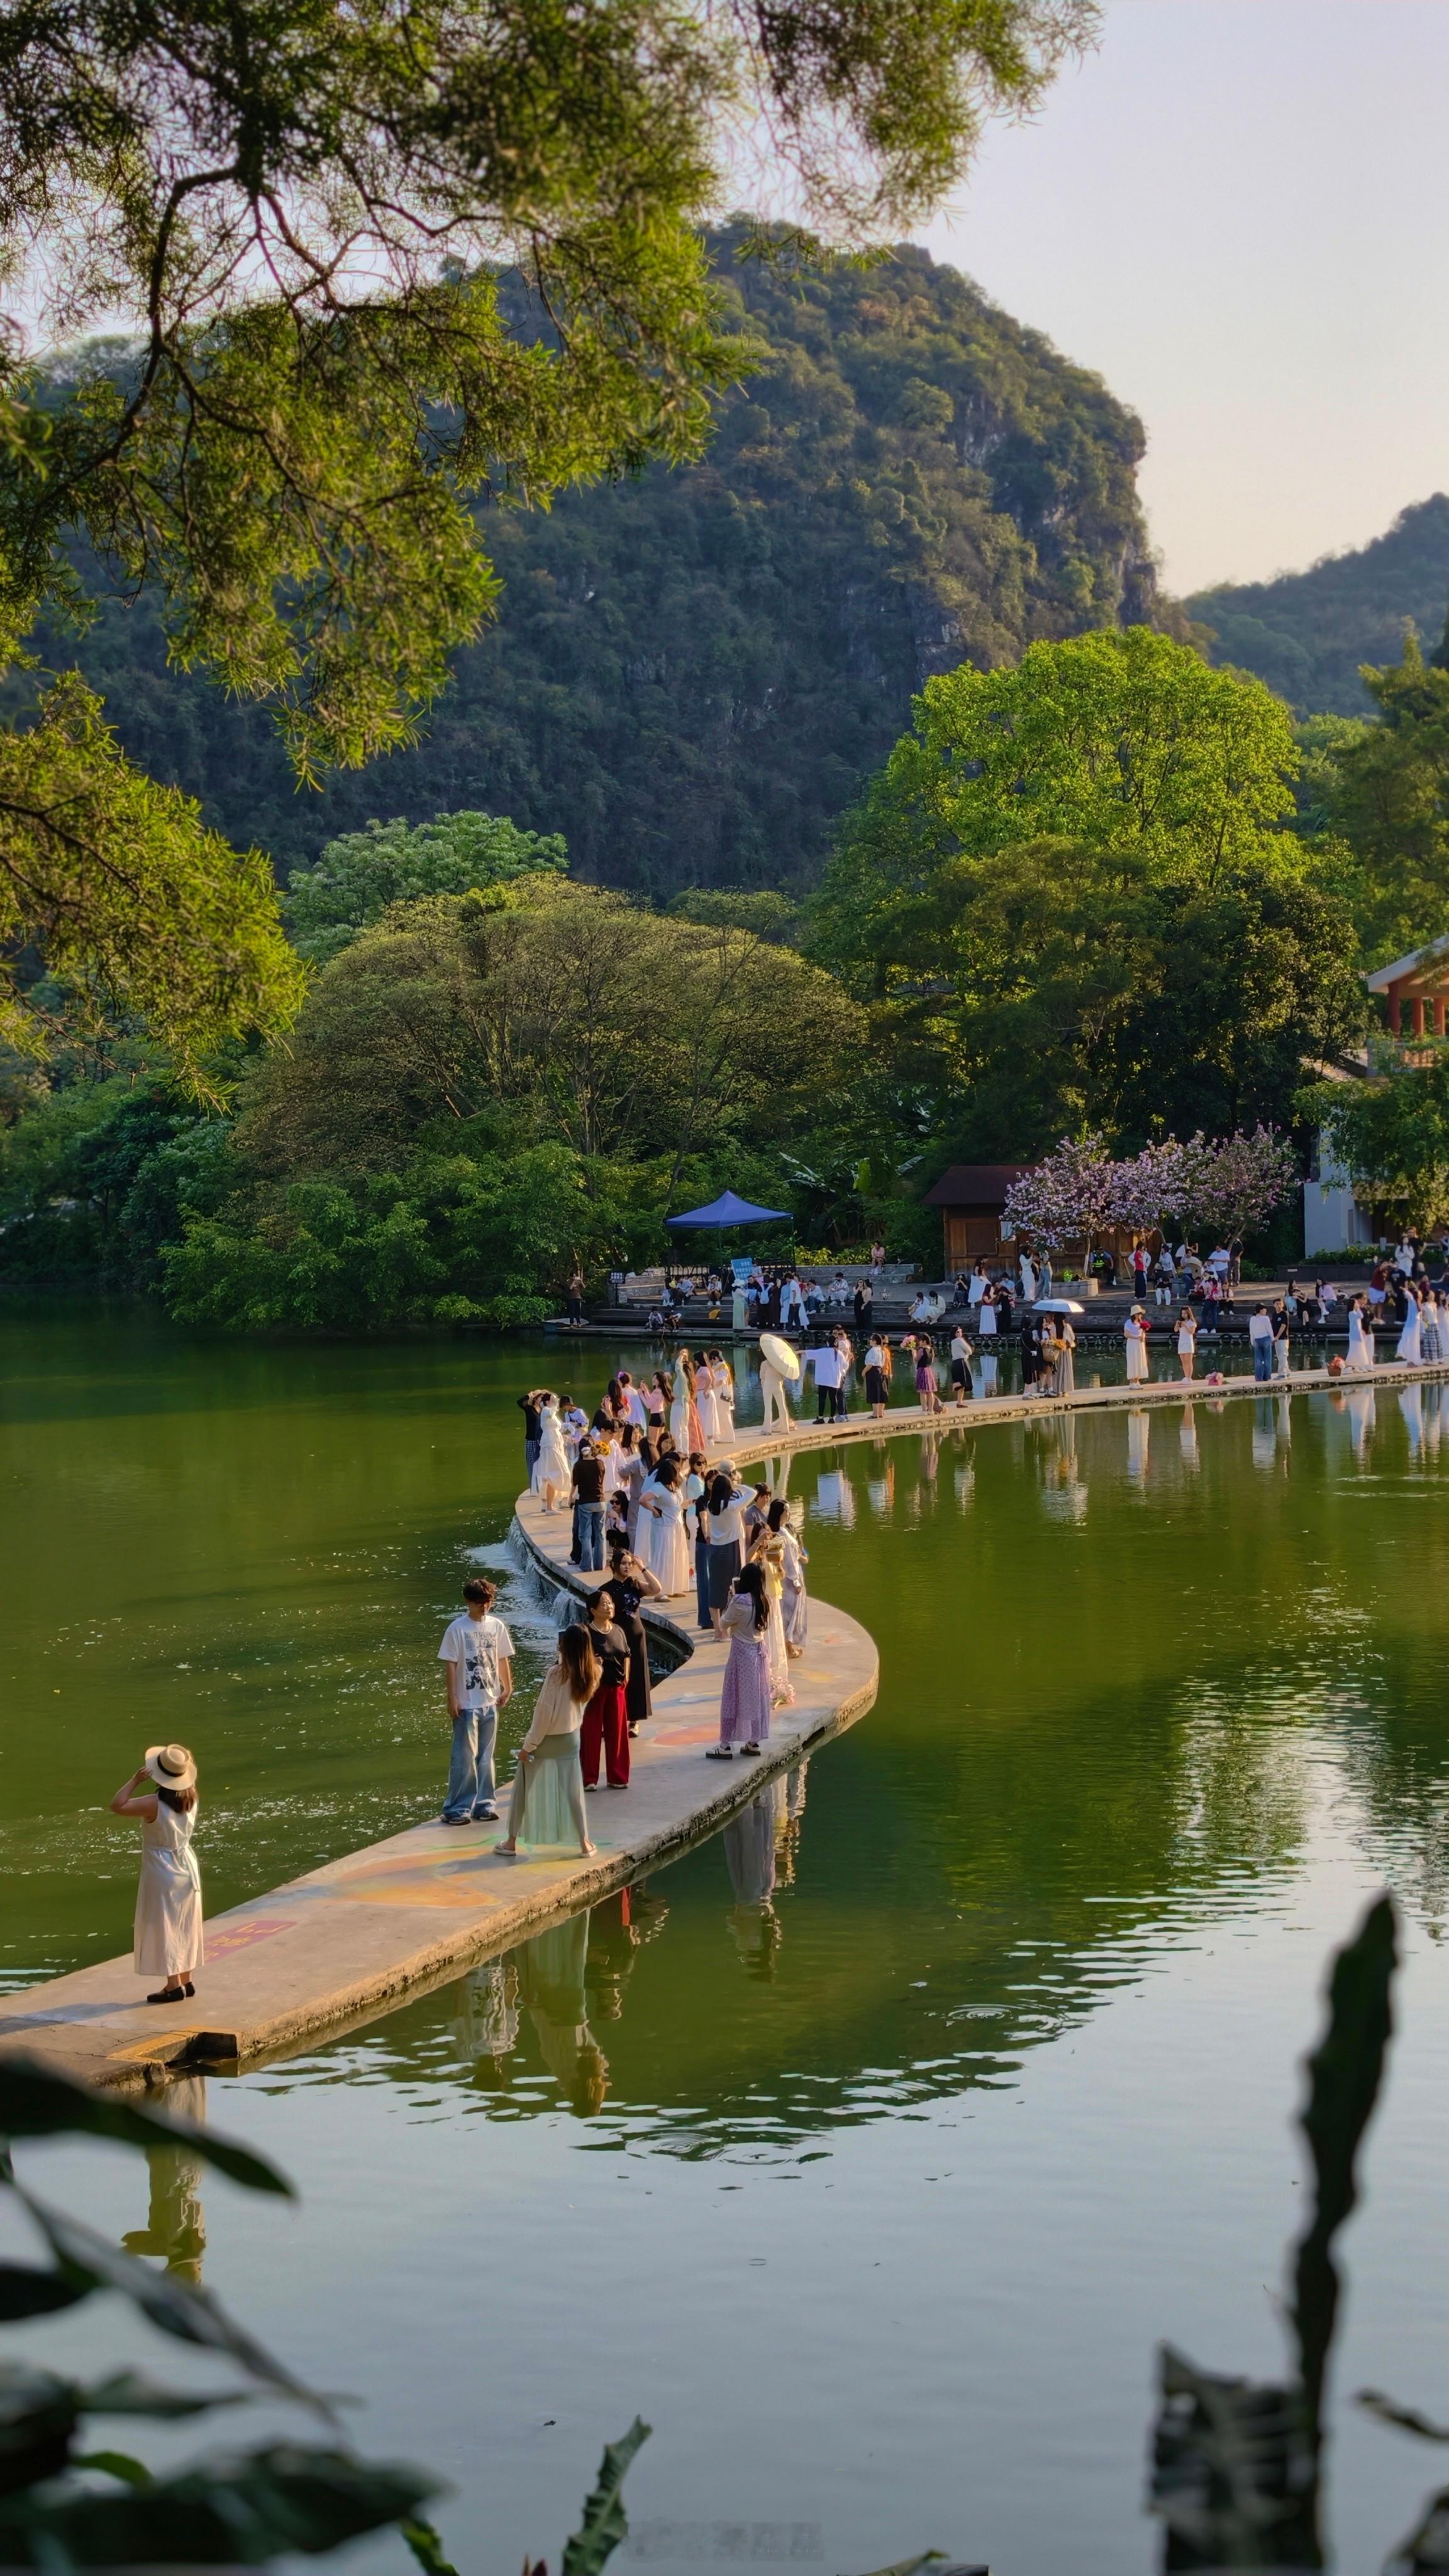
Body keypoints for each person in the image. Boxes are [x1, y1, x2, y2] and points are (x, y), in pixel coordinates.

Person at [111, 1744, 204, 2003]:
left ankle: (173, 1985)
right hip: (186, 1863)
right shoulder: (192, 1797)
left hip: (162, 1868)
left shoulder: (153, 1804)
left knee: (166, 1926)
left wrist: (135, 1780)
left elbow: (117, 1805)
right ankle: (187, 1979)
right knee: (186, 1922)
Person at [496, 1626, 598, 1858]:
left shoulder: (556, 1674)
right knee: (573, 1791)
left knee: (523, 1786)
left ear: (565, 1647)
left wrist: (528, 1746)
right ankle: (584, 1843)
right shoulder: (594, 1673)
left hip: (547, 1739)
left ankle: (511, 1842)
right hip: (572, 1738)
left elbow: (543, 1714)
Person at [437, 1574, 513, 1824]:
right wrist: (452, 1698)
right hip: (467, 1702)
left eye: (488, 1601)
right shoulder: (457, 1629)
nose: (485, 1606)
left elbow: (502, 1657)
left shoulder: (496, 1626)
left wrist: (507, 1687)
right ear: (468, 1602)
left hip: (490, 1700)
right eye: (480, 1601)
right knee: (464, 1757)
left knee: (486, 1757)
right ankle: (457, 1809)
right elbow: (451, 1665)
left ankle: (484, 1804)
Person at [708, 1562, 772, 1760]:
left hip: (740, 1655)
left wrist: (730, 1601)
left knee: (733, 1697)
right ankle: (753, 1741)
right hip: (760, 1654)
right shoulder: (764, 1600)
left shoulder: (739, 1601)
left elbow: (723, 1624)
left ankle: (726, 1745)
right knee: (757, 1698)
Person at [577, 1592, 631, 1790]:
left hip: (617, 1687)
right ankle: (589, 1779)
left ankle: (617, 1777)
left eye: (610, 1602)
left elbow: (626, 1655)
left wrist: (626, 1677)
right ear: (593, 1610)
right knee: (590, 1733)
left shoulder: (618, 1630)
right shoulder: (587, 1633)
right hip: (594, 1689)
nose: (609, 1607)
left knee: (617, 1733)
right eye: (604, 1604)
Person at [636, 1455, 689, 1594]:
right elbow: (643, 1499)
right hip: (663, 1527)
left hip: (676, 1525)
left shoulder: (675, 1486)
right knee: (662, 1557)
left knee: (676, 1555)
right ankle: (660, 1591)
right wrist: (654, 1510)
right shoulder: (659, 1487)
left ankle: (675, 1587)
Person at [704, 1465, 747, 1634]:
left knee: (715, 1588)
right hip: (731, 1548)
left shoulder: (710, 1505)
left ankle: (718, 1630)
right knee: (733, 1586)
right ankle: (729, 1628)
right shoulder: (732, 1506)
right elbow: (753, 1493)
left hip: (715, 1549)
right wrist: (737, 1486)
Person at [769, 1497, 808, 1657]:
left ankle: (788, 1643)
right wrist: (796, 1581)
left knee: (790, 1610)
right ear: (779, 1513)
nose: (789, 1513)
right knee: (789, 1611)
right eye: (786, 1510)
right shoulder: (779, 1533)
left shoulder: (783, 1530)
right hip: (789, 1578)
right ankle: (788, 1645)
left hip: (791, 1575)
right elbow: (788, 1560)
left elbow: (794, 1554)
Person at [684, 1448, 712, 1631]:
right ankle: (693, 1577)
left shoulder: (697, 1478)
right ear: (693, 1465)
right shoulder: (694, 1479)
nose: (702, 1466)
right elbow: (696, 1498)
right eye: (698, 1463)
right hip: (695, 1515)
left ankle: (693, 1575)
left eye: (703, 1463)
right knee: (696, 1544)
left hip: (694, 1513)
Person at [570, 1438, 607, 1573]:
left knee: (585, 1535)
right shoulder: (600, 1464)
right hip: (600, 1502)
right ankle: (598, 1566)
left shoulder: (578, 1465)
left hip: (585, 1503)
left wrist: (570, 1500)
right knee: (599, 1535)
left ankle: (586, 1565)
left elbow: (574, 1485)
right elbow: (601, 1481)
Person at [533, 1394, 569, 1513]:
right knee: (555, 1473)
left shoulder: (551, 1412)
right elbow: (550, 1413)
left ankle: (550, 1506)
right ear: (548, 1402)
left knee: (554, 1474)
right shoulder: (546, 1410)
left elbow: (557, 1425)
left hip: (556, 1444)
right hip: (550, 1445)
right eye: (553, 1400)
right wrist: (554, 1403)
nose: (556, 1401)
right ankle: (548, 1505)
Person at [518, 1388, 546, 1482]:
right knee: (531, 1465)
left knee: (540, 1464)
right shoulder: (530, 1409)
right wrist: (530, 1394)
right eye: (539, 1398)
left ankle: (539, 1485)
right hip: (531, 1440)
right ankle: (532, 1485)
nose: (541, 1400)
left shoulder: (542, 1411)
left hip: (540, 1441)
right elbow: (520, 1402)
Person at [709, 1351, 736, 1442]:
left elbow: (723, 1379)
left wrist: (713, 1385)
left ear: (716, 1358)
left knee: (725, 1415)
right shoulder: (715, 1366)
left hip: (723, 1395)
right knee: (720, 1415)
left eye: (712, 1359)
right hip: (718, 1395)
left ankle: (730, 1436)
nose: (712, 1361)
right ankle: (723, 1436)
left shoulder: (723, 1366)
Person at [863, 1331, 889, 1419]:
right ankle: (880, 1412)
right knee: (881, 1391)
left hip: (873, 1371)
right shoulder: (882, 1350)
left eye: (871, 1340)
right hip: (880, 1370)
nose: (870, 1341)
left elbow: (870, 1364)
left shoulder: (873, 1350)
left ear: (874, 1341)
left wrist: (863, 1372)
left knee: (874, 1391)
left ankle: (875, 1414)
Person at [1346, 1294, 1375, 1371]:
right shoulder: (1352, 1313)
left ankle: (1362, 1365)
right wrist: (1359, 1307)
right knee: (1355, 1351)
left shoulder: (1357, 1313)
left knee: (1361, 1351)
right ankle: (1350, 1366)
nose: (1358, 1304)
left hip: (1358, 1335)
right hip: (1355, 1336)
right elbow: (1360, 1316)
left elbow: (1362, 1316)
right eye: (1356, 1303)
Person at [1397, 1284, 1424, 1364]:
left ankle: (1414, 1360)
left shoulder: (1419, 1304)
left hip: (1416, 1326)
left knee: (1415, 1343)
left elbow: (1420, 1318)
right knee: (1410, 1342)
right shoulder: (1412, 1301)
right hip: (1411, 1326)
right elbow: (1409, 1295)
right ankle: (1410, 1361)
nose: (1421, 1295)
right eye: (1420, 1294)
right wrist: (1404, 1289)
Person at [949, 1323, 974, 1407]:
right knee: (964, 1382)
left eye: (961, 1332)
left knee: (962, 1385)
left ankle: (960, 1402)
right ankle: (955, 1385)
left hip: (955, 1363)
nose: (960, 1333)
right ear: (955, 1333)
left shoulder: (952, 1342)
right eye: (958, 1332)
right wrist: (967, 1355)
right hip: (961, 1362)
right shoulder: (959, 1340)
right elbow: (969, 1351)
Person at [1124, 1304, 1149, 1384]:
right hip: (1132, 1343)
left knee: (1139, 1361)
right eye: (1139, 1314)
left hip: (1139, 1344)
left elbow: (1142, 1332)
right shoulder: (1129, 1322)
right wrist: (1136, 1337)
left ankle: (1137, 1380)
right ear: (1135, 1314)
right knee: (1133, 1361)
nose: (1140, 1315)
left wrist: (1142, 1336)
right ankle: (1132, 1382)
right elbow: (1127, 1334)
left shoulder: (1140, 1323)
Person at [1248, 1303, 1274, 1382]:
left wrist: (1252, 1341)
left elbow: (1251, 1331)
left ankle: (1259, 1378)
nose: (1266, 1310)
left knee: (1258, 1360)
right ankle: (1267, 1377)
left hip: (1256, 1339)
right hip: (1266, 1339)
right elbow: (1270, 1330)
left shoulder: (1252, 1319)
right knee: (1267, 1359)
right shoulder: (1266, 1318)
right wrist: (1272, 1339)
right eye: (1264, 1309)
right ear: (1260, 1310)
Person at [1175, 1303, 1197, 1381]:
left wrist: (1185, 1325)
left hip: (1188, 1342)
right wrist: (1177, 1324)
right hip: (1181, 1342)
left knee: (1189, 1361)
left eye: (1185, 1313)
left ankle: (1189, 1377)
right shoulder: (1181, 1322)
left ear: (1188, 1314)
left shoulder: (1192, 1323)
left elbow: (1192, 1332)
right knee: (1184, 1361)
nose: (1183, 1315)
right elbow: (1176, 1330)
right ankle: (1186, 1376)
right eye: (1182, 1314)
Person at [1272, 1297, 1292, 1379]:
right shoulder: (1274, 1314)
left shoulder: (1284, 1314)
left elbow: (1283, 1326)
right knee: (1280, 1356)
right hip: (1276, 1339)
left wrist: (1277, 1337)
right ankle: (1287, 1372)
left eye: (1281, 1304)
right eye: (1277, 1304)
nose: (1279, 1305)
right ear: (1274, 1305)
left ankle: (1283, 1374)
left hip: (1283, 1338)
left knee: (1283, 1355)